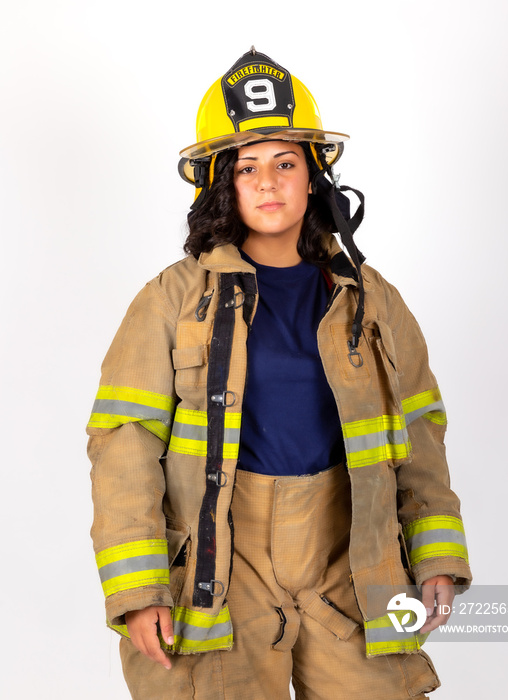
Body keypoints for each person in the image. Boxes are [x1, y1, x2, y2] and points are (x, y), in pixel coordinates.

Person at [87, 48, 472, 699]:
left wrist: (435, 555)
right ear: (220, 183)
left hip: (347, 564)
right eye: (247, 167)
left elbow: (420, 432)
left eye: (285, 163)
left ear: (314, 175)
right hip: (219, 568)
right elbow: (123, 442)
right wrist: (137, 587)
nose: (267, 182)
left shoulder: (370, 301)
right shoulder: (170, 300)